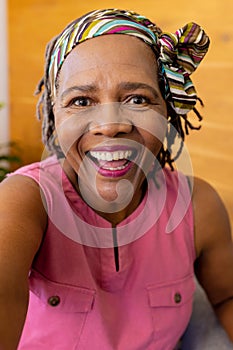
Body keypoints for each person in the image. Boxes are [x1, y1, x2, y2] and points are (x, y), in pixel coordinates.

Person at [0, 8, 232, 350]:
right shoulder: (25, 200)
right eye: (81, 101)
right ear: (55, 114)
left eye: (137, 99)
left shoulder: (198, 206)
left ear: (166, 110)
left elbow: (227, 296)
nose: (110, 125)